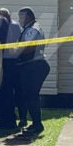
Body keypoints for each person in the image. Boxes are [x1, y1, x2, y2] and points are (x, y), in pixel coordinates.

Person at [17, 7, 50, 135]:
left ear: (28, 17)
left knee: (31, 95)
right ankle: (36, 123)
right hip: (32, 65)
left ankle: (37, 124)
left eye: (21, 17)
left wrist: (15, 52)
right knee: (30, 95)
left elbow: (29, 47)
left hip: (35, 66)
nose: (20, 20)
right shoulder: (30, 28)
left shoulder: (32, 29)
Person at [0, 7, 25, 128]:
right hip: (12, 61)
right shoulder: (13, 25)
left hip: (11, 62)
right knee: (14, 91)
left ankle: (14, 119)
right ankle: (17, 118)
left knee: (11, 91)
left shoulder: (11, 26)